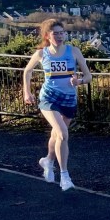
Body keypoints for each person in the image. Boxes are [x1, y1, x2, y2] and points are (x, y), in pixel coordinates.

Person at [22, 18, 92, 191]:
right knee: (62, 134)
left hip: (68, 99)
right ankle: (65, 176)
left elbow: (88, 76)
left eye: (62, 33)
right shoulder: (41, 54)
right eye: (56, 33)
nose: (60, 36)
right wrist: (27, 92)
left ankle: (48, 160)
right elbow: (27, 71)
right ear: (47, 35)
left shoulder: (73, 51)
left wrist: (79, 81)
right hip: (49, 98)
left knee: (57, 135)